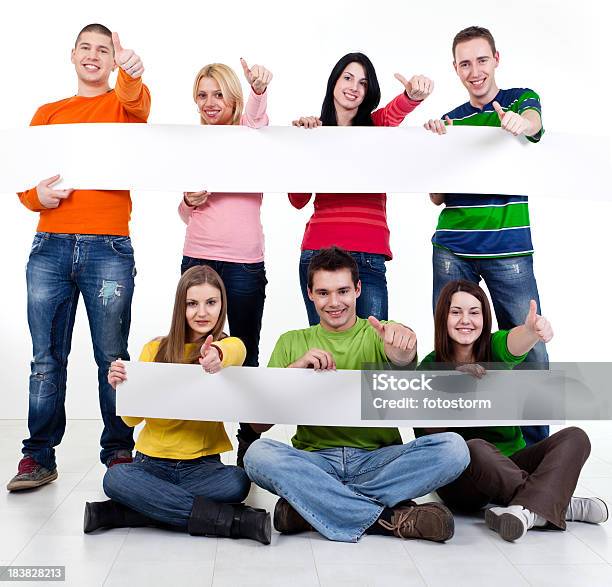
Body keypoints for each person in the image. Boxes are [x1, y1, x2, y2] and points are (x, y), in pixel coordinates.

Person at [7, 24, 151, 492]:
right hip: (49, 246)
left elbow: (137, 101)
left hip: (107, 246)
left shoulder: (122, 106)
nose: (93, 56)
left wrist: (132, 72)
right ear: (72, 55)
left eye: (104, 50)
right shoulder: (48, 113)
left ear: (113, 60)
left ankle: (118, 451)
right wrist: (37, 197)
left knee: (111, 355)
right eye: (86, 48)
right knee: (46, 358)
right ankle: (38, 456)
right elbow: (25, 180)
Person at [244, 247, 470, 543]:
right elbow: (258, 427)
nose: (334, 302)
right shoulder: (291, 341)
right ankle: (388, 519)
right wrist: (295, 373)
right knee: (257, 455)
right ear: (310, 293)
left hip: (377, 461)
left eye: (343, 291)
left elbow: (403, 358)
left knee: (455, 449)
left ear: (358, 290)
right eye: (323, 293)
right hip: (315, 461)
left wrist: (403, 352)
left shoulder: (379, 333)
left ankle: (312, 505)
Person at [423, 25, 548, 445]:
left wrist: (518, 123)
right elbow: (437, 196)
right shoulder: (452, 119)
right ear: (455, 68)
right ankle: (455, 447)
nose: (474, 71)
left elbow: (534, 125)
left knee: (529, 346)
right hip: (453, 248)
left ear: (496, 58)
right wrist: (436, 146)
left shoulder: (519, 100)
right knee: (452, 348)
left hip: (508, 248)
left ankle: (535, 451)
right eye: (464, 63)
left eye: (481, 60)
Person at [84, 265, 271, 544]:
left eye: (211, 303)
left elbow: (238, 350)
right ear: (180, 307)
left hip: (202, 467)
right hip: (151, 464)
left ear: (222, 306)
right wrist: (122, 388)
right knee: (115, 478)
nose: (202, 312)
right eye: (192, 304)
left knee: (238, 483)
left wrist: (217, 353)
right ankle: (232, 521)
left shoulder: (227, 348)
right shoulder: (155, 349)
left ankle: (130, 513)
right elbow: (131, 421)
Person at [415, 280, 608, 542]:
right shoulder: (429, 367)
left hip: (510, 463)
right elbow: (432, 444)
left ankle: (525, 511)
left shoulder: (493, 347)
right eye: (456, 312)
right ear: (443, 318)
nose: (466, 320)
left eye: (474, 312)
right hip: (461, 480)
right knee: (475, 447)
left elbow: (514, 343)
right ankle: (559, 504)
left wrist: (530, 331)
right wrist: (454, 386)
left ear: (484, 318)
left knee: (576, 436)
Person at [290, 52, 433, 325]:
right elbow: (297, 200)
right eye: (347, 78)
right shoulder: (314, 131)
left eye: (363, 83)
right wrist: (303, 144)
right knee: (327, 354)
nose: (354, 87)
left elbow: (394, 113)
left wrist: (411, 96)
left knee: (375, 351)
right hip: (319, 252)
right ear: (334, 82)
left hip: (368, 255)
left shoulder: (376, 127)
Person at [178, 60, 271, 468]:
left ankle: (248, 439)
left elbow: (256, 116)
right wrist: (188, 200)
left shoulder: (250, 135)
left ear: (233, 97)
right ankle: (197, 440)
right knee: (194, 350)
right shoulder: (193, 143)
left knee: (245, 352)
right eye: (203, 95)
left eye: (219, 94)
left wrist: (259, 90)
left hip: (244, 262)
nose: (210, 102)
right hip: (198, 254)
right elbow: (185, 211)